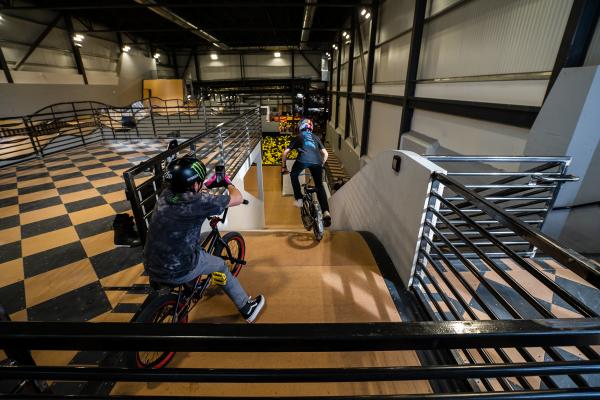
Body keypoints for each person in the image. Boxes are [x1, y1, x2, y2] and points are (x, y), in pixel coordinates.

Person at [143, 155, 265, 323]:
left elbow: (189, 193)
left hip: (151, 263)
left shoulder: (166, 194)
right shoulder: (200, 201)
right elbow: (236, 198)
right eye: (199, 181)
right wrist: (227, 182)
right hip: (180, 268)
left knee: (194, 245)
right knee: (221, 266)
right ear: (194, 184)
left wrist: (205, 184)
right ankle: (247, 308)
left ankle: (191, 286)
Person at [281, 118, 331, 227]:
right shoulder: (316, 137)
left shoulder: (299, 136)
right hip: (317, 162)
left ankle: (299, 199)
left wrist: (284, 167)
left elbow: (285, 153)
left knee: (293, 175)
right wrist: (320, 165)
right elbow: (326, 154)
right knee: (319, 186)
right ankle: (326, 211)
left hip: (302, 160)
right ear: (311, 128)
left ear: (301, 127)